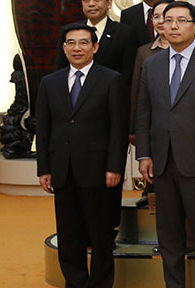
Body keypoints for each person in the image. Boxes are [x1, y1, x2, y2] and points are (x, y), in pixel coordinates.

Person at [135, 1, 195, 287]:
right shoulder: (152, 64)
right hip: (162, 162)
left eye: (181, 20)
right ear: (162, 26)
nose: (174, 26)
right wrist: (144, 154)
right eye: (169, 20)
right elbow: (144, 113)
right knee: (168, 234)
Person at [37, 23, 127, 288]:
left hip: (98, 170)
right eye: (71, 43)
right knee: (68, 235)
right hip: (62, 170)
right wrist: (44, 168)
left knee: (100, 236)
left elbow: (118, 129)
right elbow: (43, 130)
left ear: (95, 47)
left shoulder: (112, 79)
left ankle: (100, 284)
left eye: (84, 42)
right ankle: (75, 283)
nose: (77, 48)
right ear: (64, 48)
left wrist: (114, 167)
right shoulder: (50, 83)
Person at [55, 0, 140, 95]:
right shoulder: (69, 32)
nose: (91, 4)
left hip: (110, 98)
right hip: (76, 96)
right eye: (86, 0)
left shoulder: (125, 33)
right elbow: (61, 69)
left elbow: (128, 76)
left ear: (109, 3)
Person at [130, 0, 174, 143]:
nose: (160, 21)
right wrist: (133, 129)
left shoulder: (191, 50)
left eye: (165, 16)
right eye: (156, 17)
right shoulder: (143, 52)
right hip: (154, 127)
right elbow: (137, 93)